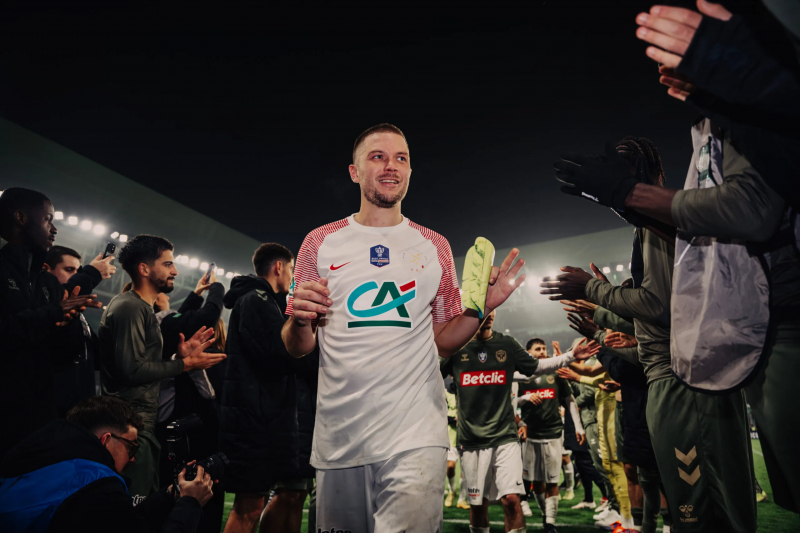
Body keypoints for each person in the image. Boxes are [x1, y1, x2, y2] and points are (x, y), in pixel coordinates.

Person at [281, 123, 528, 532]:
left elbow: (443, 341)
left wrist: (480, 308)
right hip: (340, 435)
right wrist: (299, 318)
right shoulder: (319, 242)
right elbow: (298, 346)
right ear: (354, 172)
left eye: (401, 158)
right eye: (377, 157)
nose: (391, 166)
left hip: (416, 432)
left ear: (410, 171)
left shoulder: (434, 245)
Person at [548, 135, 758, 531]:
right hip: (681, 377)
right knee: (697, 508)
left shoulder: (655, 226)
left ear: (643, 173)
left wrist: (593, 291)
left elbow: (657, 305)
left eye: (620, 173)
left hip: (684, 384)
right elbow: (662, 318)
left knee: (700, 511)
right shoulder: (659, 225)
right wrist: (603, 315)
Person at [440, 312, 597, 533]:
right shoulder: (456, 347)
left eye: (493, 308)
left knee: (512, 500)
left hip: (505, 437)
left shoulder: (506, 344)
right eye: (484, 306)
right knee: (478, 506)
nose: (490, 313)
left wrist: (570, 356)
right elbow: (429, 375)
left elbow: (536, 367)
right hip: (471, 441)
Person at [99, 234, 226, 503]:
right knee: (132, 508)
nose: (175, 271)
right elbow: (132, 371)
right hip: (128, 424)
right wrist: (184, 364)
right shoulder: (129, 307)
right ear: (144, 269)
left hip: (141, 422)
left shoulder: (143, 309)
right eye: (168, 264)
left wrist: (179, 356)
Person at [0, 396, 214, 533]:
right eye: (131, 447)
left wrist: (168, 495)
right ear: (106, 440)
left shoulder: (41, 458)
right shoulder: (95, 485)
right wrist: (191, 503)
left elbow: (122, 522)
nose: (133, 459)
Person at [221, 243, 318, 533]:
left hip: (263, 417)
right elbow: (279, 355)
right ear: (278, 267)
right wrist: (309, 346)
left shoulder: (264, 301)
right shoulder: (256, 299)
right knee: (249, 507)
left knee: (264, 502)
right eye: (291, 268)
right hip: (254, 420)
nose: (292, 275)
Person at [0, 187, 101, 458]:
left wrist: (68, 322)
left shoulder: (47, 283)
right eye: (47, 219)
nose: (54, 229)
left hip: (40, 419)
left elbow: (62, 357)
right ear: (20, 218)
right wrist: (54, 312)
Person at [154, 269, 226, 533]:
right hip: (178, 431)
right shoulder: (156, 320)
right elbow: (199, 317)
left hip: (179, 430)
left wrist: (195, 295)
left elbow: (179, 319)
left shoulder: (162, 326)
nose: (173, 272)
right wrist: (217, 288)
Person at [516, 338, 587, 533]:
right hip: (530, 434)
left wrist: (579, 427)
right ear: (528, 353)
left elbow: (569, 400)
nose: (541, 351)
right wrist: (525, 398)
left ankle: (550, 523)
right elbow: (511, 402)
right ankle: (545, 515)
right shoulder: (521, 374)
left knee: (552, 480)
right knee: (537, 481)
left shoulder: (556, 372)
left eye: (543, 348)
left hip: (554, 432)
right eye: (537, 349)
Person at [44, 245, 117, 415]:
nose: (76, 276)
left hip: (78, 409)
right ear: (46, 270)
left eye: (78, 271)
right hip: (52, 410)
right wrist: (91, 274)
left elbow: (96, 359)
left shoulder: (79, 315)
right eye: (69, 270)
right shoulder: (44, 309)